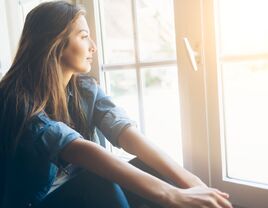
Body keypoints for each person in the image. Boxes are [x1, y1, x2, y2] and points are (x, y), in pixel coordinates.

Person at [0, 1, 233, 208]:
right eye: (83, 36)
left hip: (77, 191)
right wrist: (171, 195)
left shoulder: (82, 88)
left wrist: (191, 183)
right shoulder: (14, 99)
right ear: (55, 44)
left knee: (150, 168)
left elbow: (127, 133)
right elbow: (78, 149)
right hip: (38, 201)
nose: (93, 46)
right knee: (97, 183)